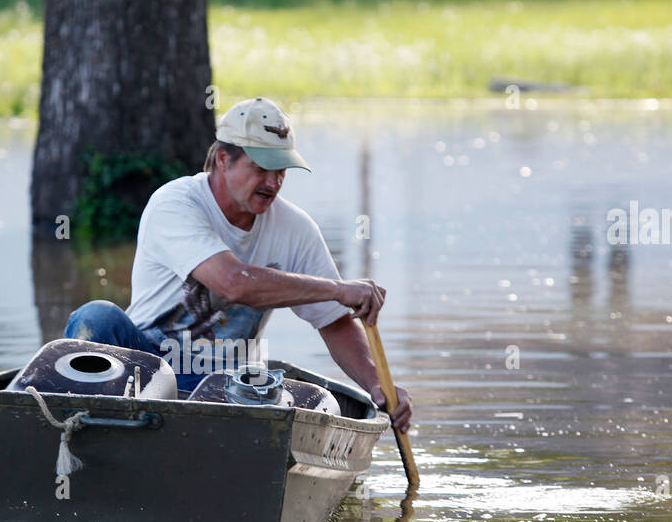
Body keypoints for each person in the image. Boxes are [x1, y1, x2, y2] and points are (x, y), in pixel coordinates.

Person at [64, 96, 412, 432]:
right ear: (222, 160)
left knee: (311, 399)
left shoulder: (296, 228)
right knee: (95, 318)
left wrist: (378, 385)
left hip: (234, 382)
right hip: (149, 370)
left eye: (281, 171)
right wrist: (338, 289)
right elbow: (234, 282)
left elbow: (334, 323)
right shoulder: (174, 204)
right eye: (261, 168)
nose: (273, 183)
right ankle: (89, 427)